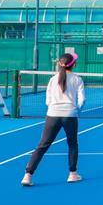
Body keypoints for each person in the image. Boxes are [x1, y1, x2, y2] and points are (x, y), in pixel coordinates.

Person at [21, 53, 84, 186]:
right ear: (73, 65)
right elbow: (82, 100)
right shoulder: (77, 79)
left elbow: (47, 101)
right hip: (70, 115)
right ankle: (73, 174)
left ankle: (27, 176)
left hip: (52, 115)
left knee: (43, 145)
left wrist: (54, 109)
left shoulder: (52, 79)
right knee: (72, 143)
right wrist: (76, 110)